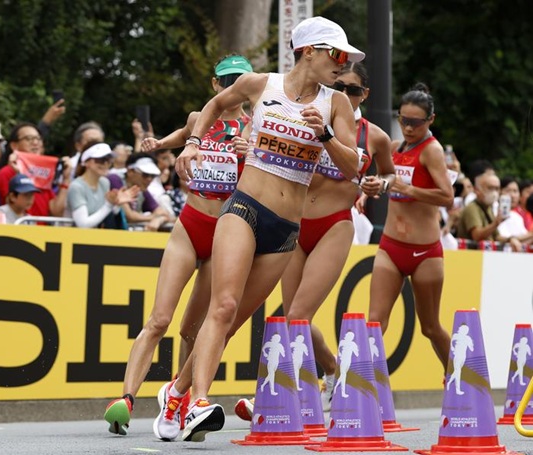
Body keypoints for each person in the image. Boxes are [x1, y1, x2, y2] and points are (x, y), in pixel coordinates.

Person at [156, 16, 363, 442]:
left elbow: (353, 167)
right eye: (338, 55)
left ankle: (176, 392)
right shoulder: (258, 83)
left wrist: (323, 135)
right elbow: (212, 106)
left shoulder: (336, 104)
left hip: (286, 228)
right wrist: (193, 142)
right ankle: (198, 401)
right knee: (223, 306)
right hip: (244, 208)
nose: (343, 65)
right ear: (310, 51)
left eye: (347, 59)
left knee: (231, 324)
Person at [103, 54, 253, 437]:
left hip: (226, 231)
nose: (233, 88)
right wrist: (154, 144)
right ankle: (125, 400)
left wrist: (248, 154)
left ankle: (183, 403)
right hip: (190, 224)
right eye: (227, 81)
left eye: (241, 81)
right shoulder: (198, 117)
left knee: (193, 329)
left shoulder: (254, 127)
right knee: (159, 319)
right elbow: (181, 137)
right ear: (215, 85)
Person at [276, 61, 395, 415]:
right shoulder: (309, 116)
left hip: (334, 224)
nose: (344, 95)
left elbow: (387, 172)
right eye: (338, 87)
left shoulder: (374, 135)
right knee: (290, 318)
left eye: (352, 90)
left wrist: (380, 184)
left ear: (364, 95)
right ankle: (331, 368)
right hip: (295, 223)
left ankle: (299, 393)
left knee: (298, 312)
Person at [367, 83, 454, 375]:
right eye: (403, 120)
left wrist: (411, 189)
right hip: (391, 246)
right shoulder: (393, 148)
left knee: (430, 327)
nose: (407, 127)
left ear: (430, 120)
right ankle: (364, 389)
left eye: (415, 122)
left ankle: (458, 379)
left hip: (425, 251)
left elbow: (447, 196)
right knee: (375, 321)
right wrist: (367, 191)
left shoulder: (432, 151)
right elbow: (382, 179)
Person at [0, 122, 72, 217]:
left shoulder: (44, 172)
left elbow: (56, 212)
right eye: (28, 139)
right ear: (14, 146)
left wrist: (66, 180)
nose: (35, 143)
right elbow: (15, 208)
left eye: (38, 139)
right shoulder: (6, 172)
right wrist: (19, 174)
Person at [67, 142, 139, 228]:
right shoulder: (76, 186)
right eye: (100, 160)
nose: (106, 163)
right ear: (86, 162)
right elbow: (83, 224)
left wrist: (116, 204)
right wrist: (109, 205)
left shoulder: (104, 182)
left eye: (109, 160)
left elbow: (105, 213)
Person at [107, 153, 172, 231]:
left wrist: (158, 220)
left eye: (152, 176)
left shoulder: (141, 188)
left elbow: (164, 213)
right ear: (130, 171)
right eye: (145, 175)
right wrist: (154, 217)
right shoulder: (115, 179)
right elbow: (129, 216)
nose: (149, 179)